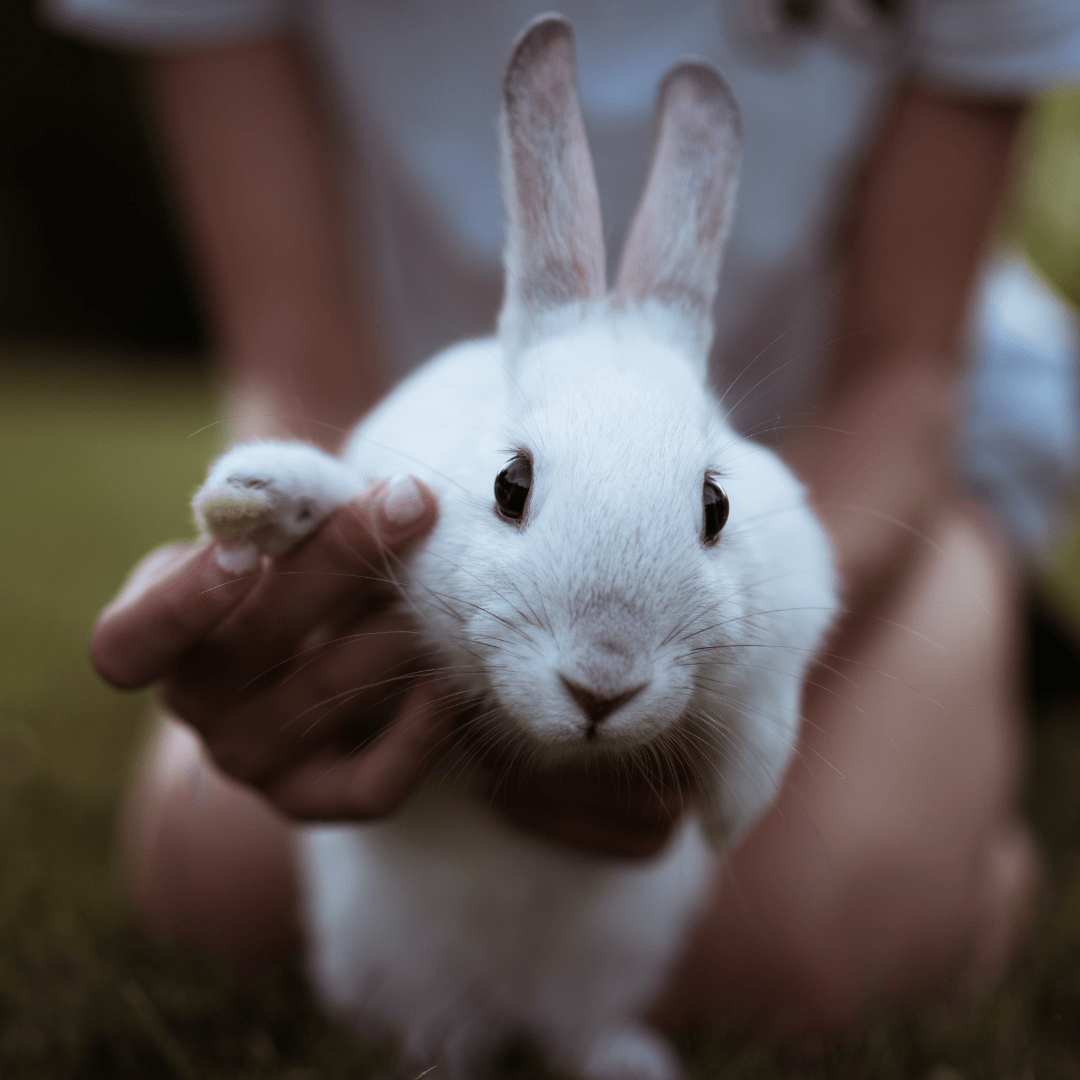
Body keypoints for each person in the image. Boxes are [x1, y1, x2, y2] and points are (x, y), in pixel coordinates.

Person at [49, 0, 1080, 1041]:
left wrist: (744, 681)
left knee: (783, 957)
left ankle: (975, 801)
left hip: (878, 446)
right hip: (438, 410)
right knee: (218, 884)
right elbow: (291, 351)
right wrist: (310, 576)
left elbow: (903, 374)